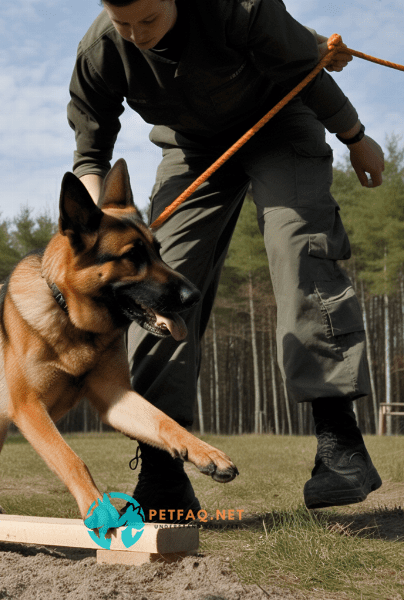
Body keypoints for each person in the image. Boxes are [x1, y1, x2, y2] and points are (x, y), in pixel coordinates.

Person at [67, 0, 384, 519]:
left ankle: (340, 444)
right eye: (124, 24)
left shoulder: (238, 8)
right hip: (191, 149)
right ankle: (163, 471)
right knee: (152, 284)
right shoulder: (101, 48)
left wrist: (355, 137)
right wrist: (97, 231)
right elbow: (90, 153)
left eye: (148, 20)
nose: (137, 34)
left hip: (279, 122)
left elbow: (304, 69)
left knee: (297, 251)